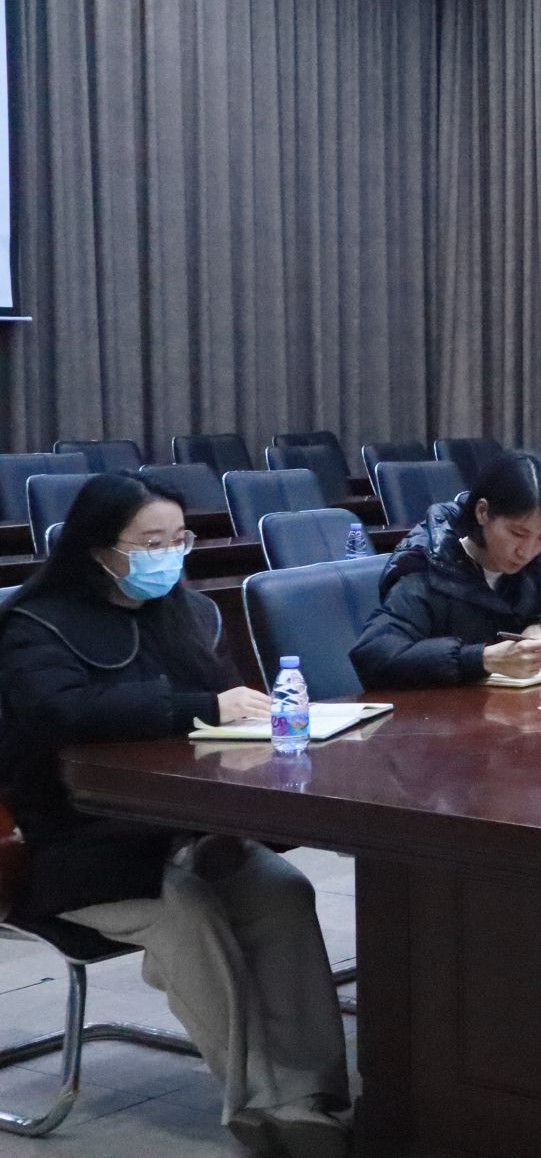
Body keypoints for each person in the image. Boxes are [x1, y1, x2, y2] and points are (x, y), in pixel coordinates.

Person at [0, 473, 350, 1157]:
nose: (168, 556)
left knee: (281, 890)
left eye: (179, 540)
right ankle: (264, 1106)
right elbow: (59, 711)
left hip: (174, 827)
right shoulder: (33, 625)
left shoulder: (178, 612)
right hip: (73, 845)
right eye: (150, 542)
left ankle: (314, 1095)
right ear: (99, 548)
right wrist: (197, 708)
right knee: (188, 914)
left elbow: (222, 701)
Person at [351, 452, 541, 688]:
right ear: (482, 512)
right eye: (518, 533)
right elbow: (373, 655)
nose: (526, 551)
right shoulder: (430, 569)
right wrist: (482, 659)